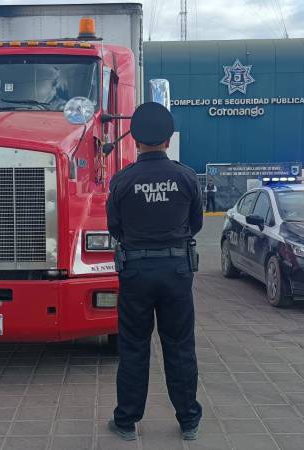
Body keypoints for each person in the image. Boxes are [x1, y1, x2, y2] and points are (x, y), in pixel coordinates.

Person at [106, 102, 203, 441]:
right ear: (167, 139)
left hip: (136, 270)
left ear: (134, 139)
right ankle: (189, 421)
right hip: (176, 270)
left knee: (133, 345)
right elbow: (195, 225)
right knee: (180, 345)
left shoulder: (122, 180)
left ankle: (126, 422)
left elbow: (115, 228)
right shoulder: (186, 176)